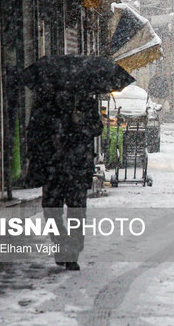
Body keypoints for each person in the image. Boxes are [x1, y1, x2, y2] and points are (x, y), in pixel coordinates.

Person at [26, 92, 102, 271]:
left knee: (76, 213)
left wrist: (80, 122)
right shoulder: (45, 101)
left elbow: (97, 128)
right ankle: (62, 245)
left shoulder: (85, 102)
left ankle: (72, 253)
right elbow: (35, 130)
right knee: (51, 211)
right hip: (53, 166)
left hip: (77, 167)